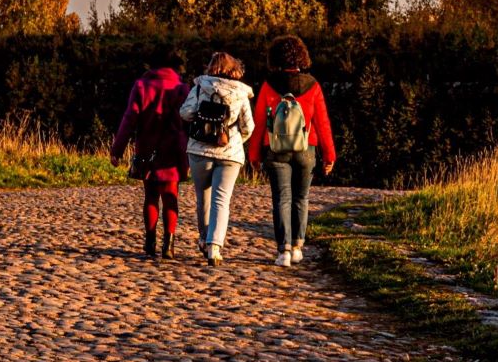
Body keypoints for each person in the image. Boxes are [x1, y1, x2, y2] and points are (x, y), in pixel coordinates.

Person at [247, 34, 338, 267]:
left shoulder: (269, 85)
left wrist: (254, 154)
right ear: (302, 57)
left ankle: (283, 251)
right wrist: (329, 155)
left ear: (275, 57)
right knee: (301, 197)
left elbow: (259, 122)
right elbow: (323, 122)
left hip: (276, 148)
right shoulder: (313, 85)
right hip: (306, 147)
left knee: (282, 199)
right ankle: (298, 246)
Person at [109, 46, 190, 259]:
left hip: (147, 146)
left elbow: (129, 119)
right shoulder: (182, 88)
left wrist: (117, 149)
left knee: (151, 196)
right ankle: (169, 245)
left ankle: (150, 240)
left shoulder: (141, 85)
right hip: (173, 148)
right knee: (171, 197)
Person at [177, 51, 256, 267]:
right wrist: (235, 139)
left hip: (200, 151)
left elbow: (185, 112)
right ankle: (214, 246)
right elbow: (248, 126)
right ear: (233, 68)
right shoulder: (240, 92)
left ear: (211, 67)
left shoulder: (200, 87)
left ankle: (203, 239)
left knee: (203, 197)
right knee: (222, 199)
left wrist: (202, 121)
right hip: (229, 152)